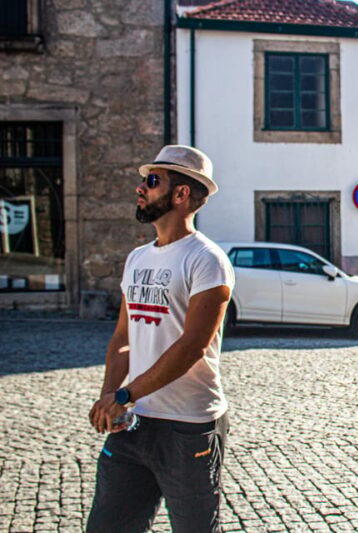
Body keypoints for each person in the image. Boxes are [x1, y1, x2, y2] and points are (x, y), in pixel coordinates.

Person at [86, 145, 235, 533]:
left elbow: (191, 348)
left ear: (182, 194)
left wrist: (123, 396)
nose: (140, 188)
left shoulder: (207, 260)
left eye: (152, 181)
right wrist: (111, 397)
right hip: (134, 422)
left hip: (188, 425)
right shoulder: (137, 258)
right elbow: (123, 336)